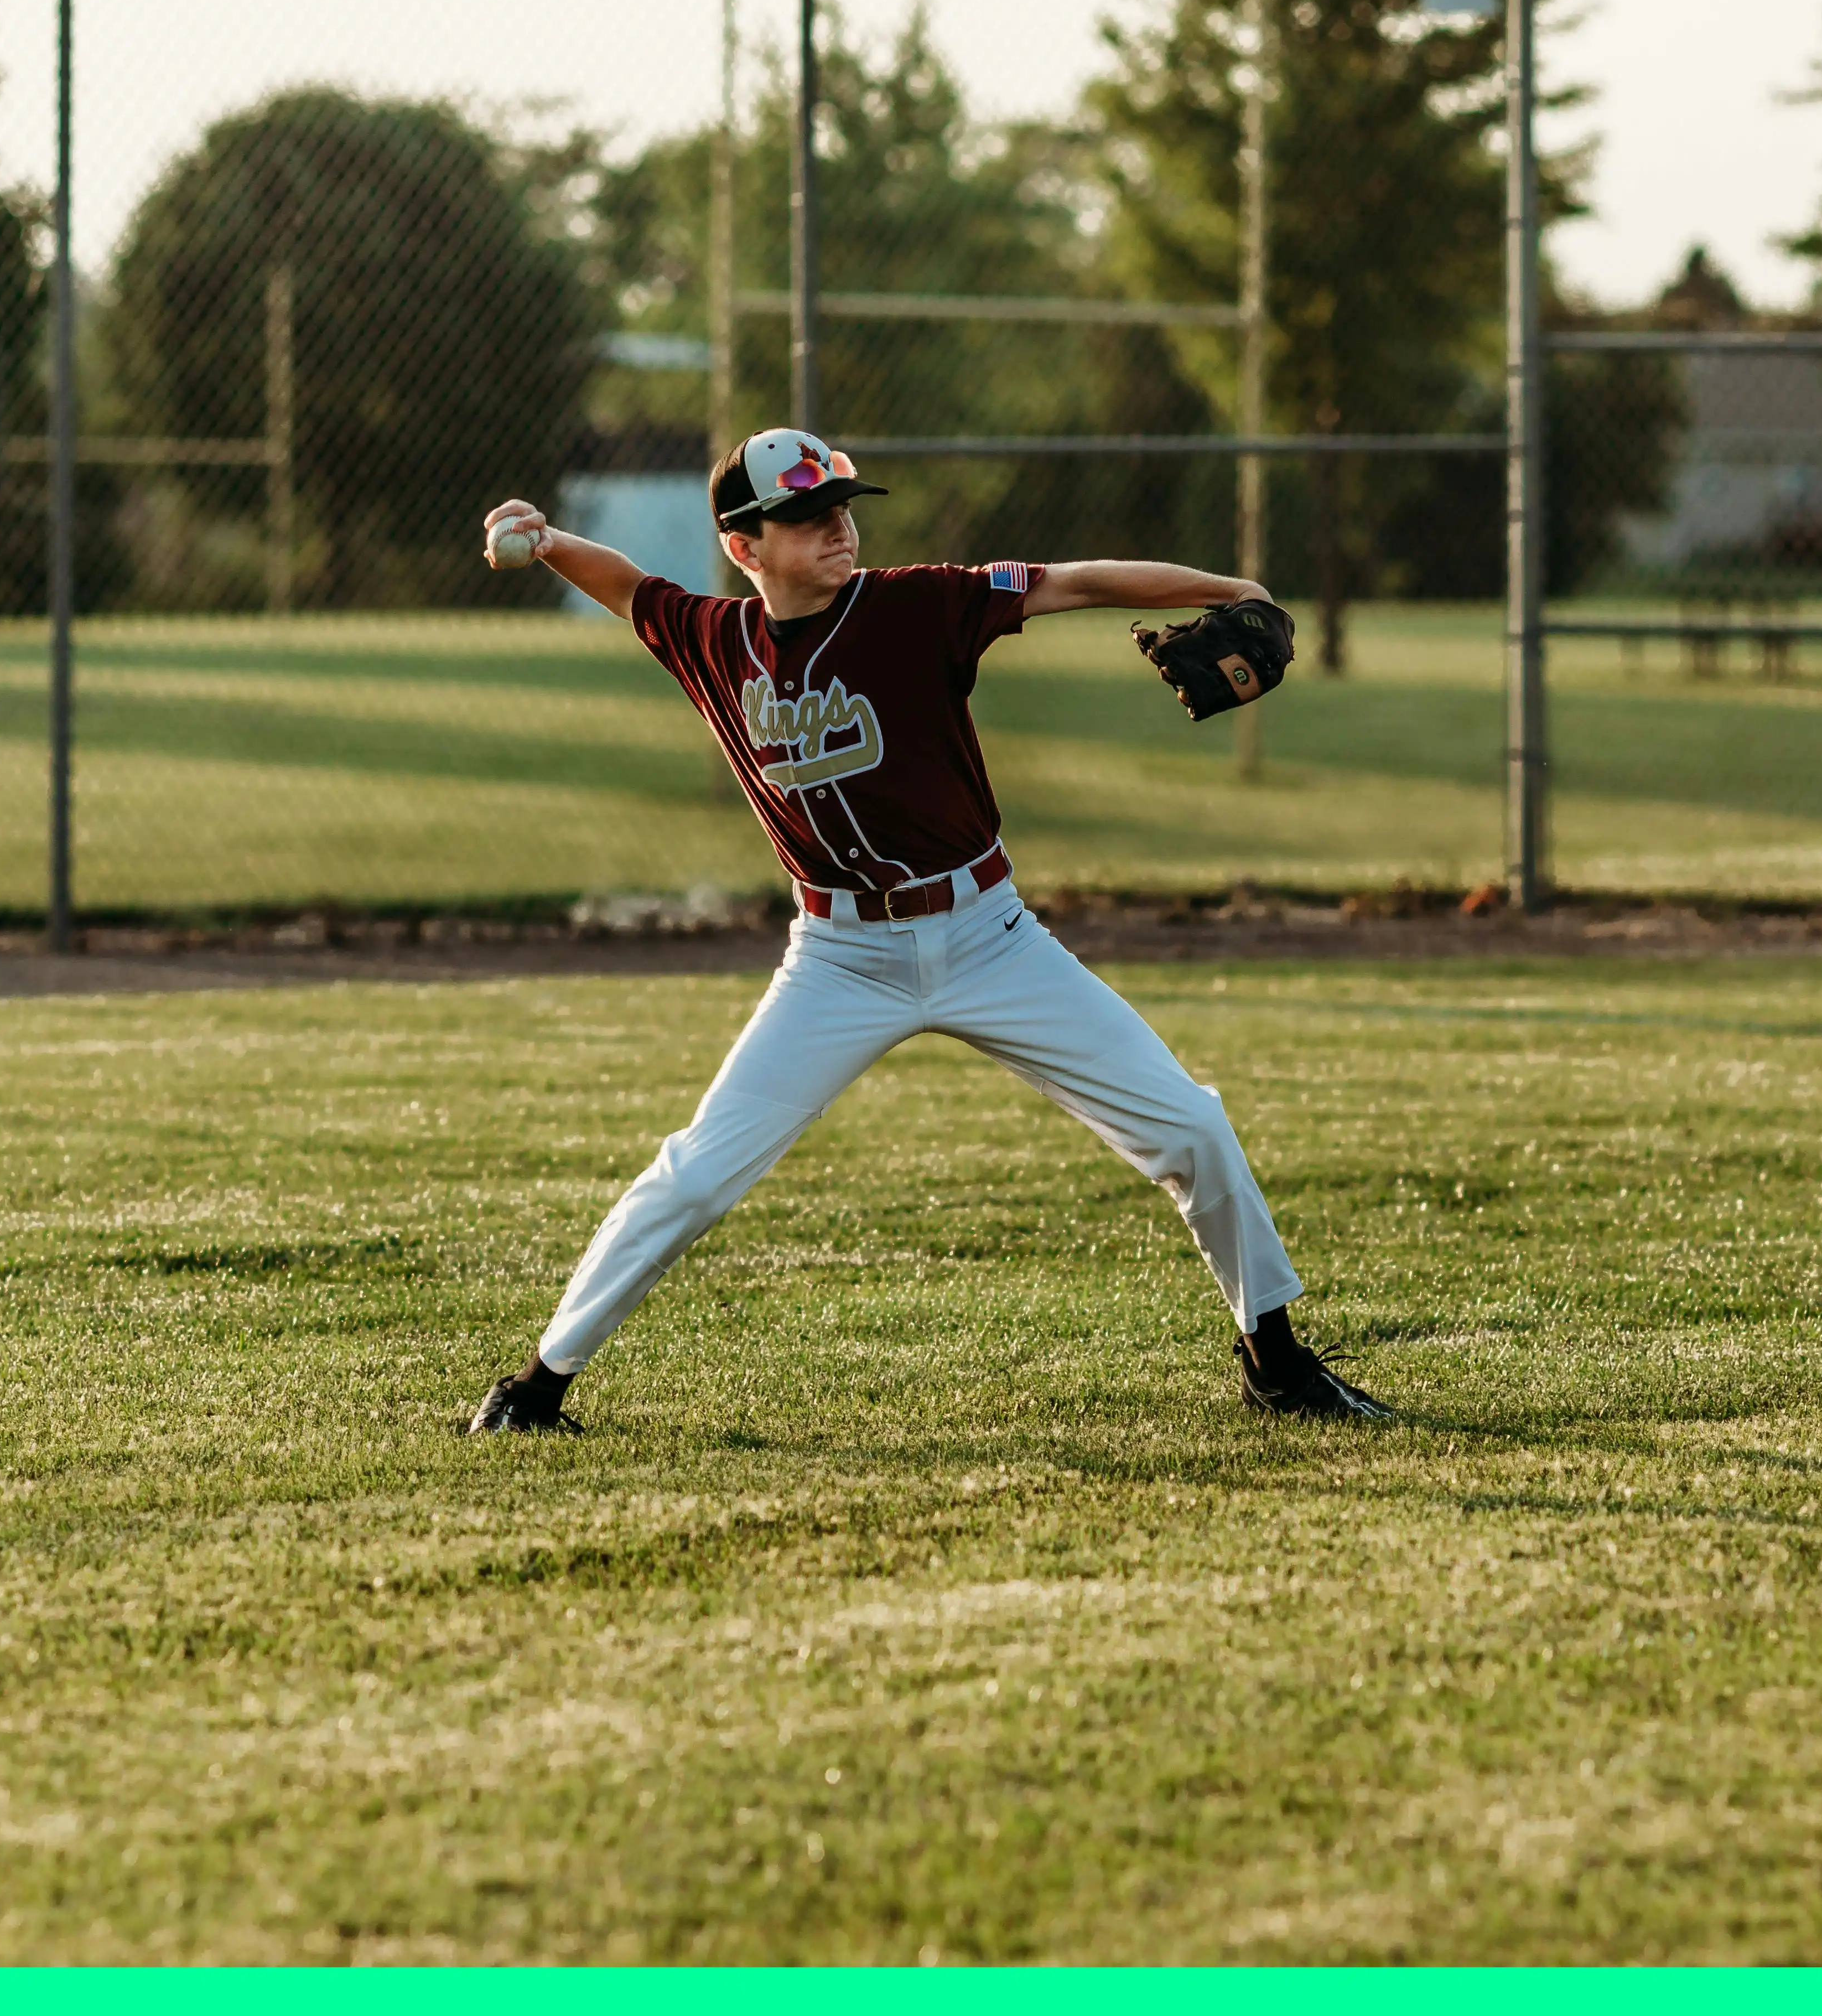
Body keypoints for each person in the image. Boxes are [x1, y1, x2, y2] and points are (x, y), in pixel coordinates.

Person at [462, 427, 1394, 1434]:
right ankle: (534, 1391)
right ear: (745, 546)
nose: (837, 528)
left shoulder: (919, 606)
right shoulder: (711, 638)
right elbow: (628, 585)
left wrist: (1236, 584)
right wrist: (550, 539)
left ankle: (1277, 1360)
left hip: (990, 935)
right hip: (838, 961)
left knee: (1192, 1127)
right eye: (804, 517)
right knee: (696, 1173)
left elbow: (1076, 583)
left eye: (844, 508)